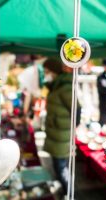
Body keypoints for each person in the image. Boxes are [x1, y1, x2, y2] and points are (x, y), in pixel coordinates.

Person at [42, 58, 80, 194]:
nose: (45, 73)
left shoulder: (65, 87)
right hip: (56, 134)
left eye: (47, 71)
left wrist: (71, 128)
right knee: (58, 166)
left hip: (61, 135)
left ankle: (69, 193)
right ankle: (65, 191)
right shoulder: (57, 85)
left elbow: (77, 109)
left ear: (54, 71)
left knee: (61, 167)